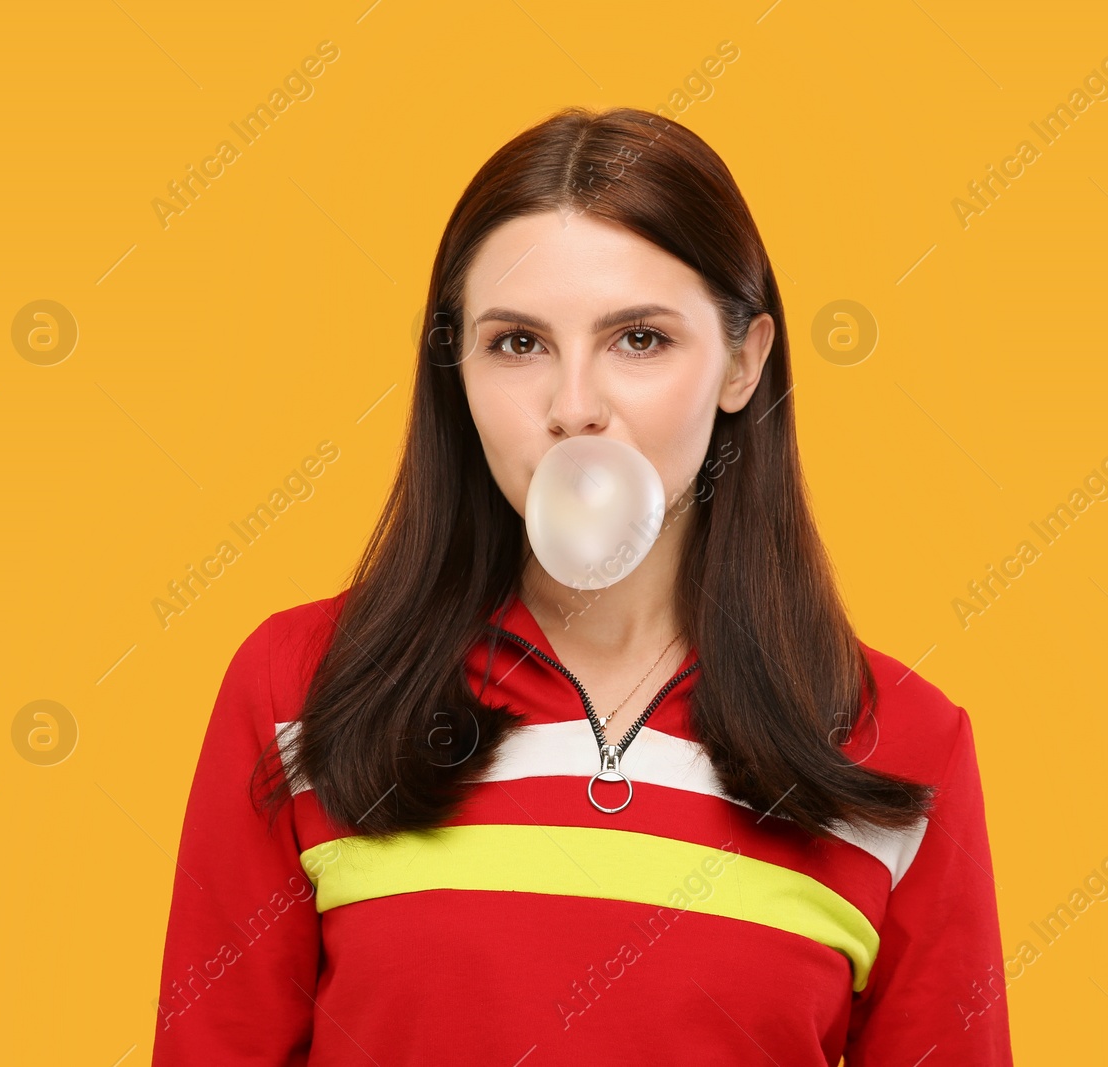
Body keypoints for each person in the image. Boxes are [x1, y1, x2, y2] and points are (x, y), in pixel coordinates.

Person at [151, 105, 1013, 1066]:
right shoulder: (301, 690)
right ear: (458, 370)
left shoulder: (902, 749)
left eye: (638, 339)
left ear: (742, 361)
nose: (573, 408)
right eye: (517, 343)